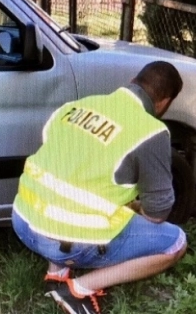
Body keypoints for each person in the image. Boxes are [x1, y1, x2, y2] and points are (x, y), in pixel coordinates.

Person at [11, 61, 188, 314]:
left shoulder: (78, 105)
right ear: (164, 102)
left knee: (68, 189)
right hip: (66, 241)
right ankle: (80, 289)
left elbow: (62, 171)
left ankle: (56, 273)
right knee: (175, 243)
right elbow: (158, 213)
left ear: (132, 79)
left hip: (23, 221)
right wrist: (135, 207)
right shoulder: (151, 131)